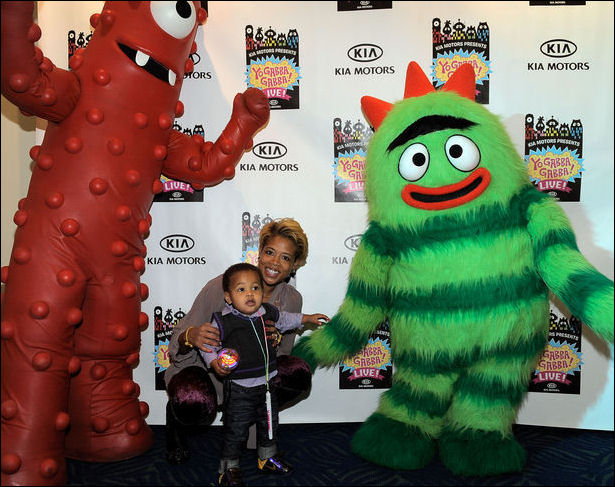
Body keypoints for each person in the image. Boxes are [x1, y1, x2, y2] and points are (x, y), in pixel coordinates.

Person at [164, 218, 317, 465]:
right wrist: (191, 335)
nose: (275, 263)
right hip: (211, 375)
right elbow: (179, 338)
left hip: (254, 380)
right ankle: (176, 422)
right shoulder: (223, 285)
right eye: (270, 252)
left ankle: (254, 419)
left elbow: (281, 358)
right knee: (192, 398)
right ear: (259, 254)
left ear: (294, 266)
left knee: (296, 372)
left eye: (285, 258)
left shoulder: (291, 300)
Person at [206, 262, 328, 485]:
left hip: (268, 384)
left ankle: (267, 457)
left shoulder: (268, 312)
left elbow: (286, 319)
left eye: (255, 288)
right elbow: (208, 345)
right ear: (228, 296)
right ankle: (228, 468)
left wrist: (306, 318)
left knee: (270, 423)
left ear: (262, 292)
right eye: (241, 289)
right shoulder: (223, 321)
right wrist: (214, 362)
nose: (249, 294)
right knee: (236, 429)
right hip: (240, 387)